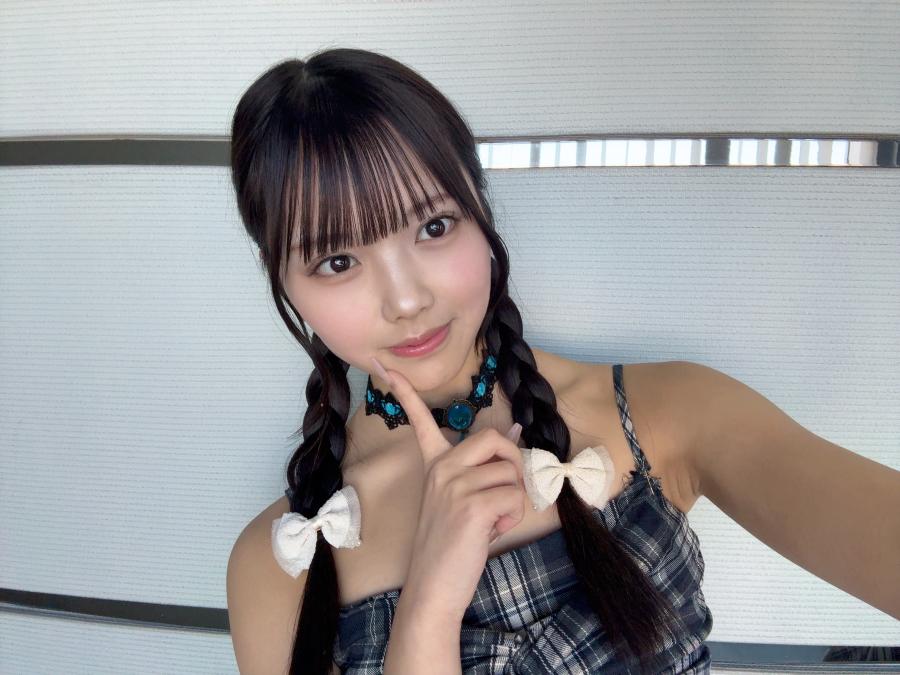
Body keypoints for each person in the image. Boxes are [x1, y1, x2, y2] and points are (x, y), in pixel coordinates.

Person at [225, 48, 899, 675]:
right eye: (338, 260)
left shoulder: (667, 413)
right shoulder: (277, 564)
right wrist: (429, 603)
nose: (406, 300)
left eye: (433, 226)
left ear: (480, 206)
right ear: (280, 278)